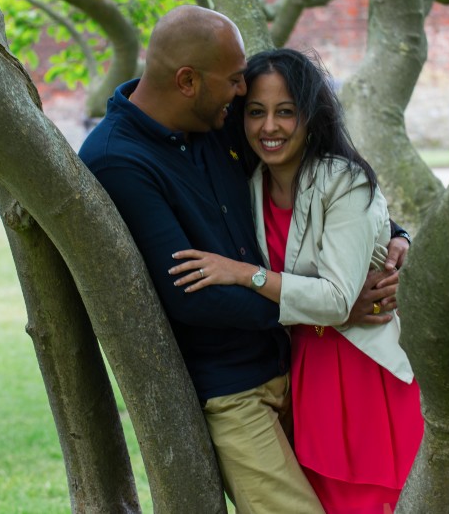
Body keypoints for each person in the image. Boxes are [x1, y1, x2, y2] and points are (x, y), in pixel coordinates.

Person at [79, 6, 408, 513]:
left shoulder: (213, 118)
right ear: (188, 80)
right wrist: (326, 306)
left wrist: (390, 237)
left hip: (296, 366)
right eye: (234, 81)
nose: (242, 94)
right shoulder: (118, 159)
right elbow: (191, 295)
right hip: (232, 388)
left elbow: (305, 152)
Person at [171, 47, 424, 513]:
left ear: (311, 116)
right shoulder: (249, 185)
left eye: (286, 112)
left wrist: (246, 274)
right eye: (256, 113)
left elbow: (335, 300)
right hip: (309, 375)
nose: (270, 127)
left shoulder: (344, 181)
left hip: (367, 371)